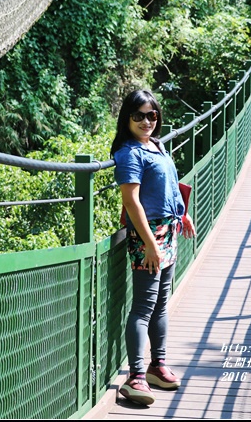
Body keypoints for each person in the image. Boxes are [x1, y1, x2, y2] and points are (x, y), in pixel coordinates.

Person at [111, 90, 197, 406]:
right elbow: (132, 201)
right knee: (144, 307)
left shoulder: (156, 146)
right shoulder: (129, 153)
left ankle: (156, 366)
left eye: (152, 115)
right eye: (139, 116)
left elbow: (168, 185)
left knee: (161, 303)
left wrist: (182, 214)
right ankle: (134, 377)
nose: (147, 121)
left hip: (168, 231)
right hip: (148, 237)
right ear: (127, 119)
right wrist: (149, 244)